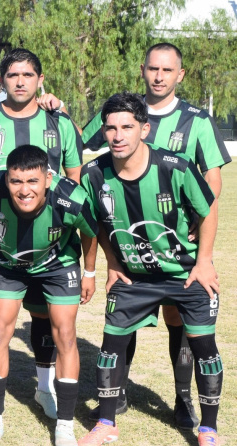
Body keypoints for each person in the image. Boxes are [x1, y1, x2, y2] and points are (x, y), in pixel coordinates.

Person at [76, 43, 230, 429]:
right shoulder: (118, 112)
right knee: (124, 310)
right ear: (142, 71)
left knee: (178, 316)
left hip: (176, 238)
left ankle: (182, 400)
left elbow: (211, 178)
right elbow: (81, 147)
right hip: (129, 244)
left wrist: (198, 225)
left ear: (180, 75)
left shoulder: (196, 120)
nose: (159, 76)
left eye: (167, 70)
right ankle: (117, 395)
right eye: (152, 69)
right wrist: (55, 110)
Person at [0, 48, 83, 420]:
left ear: (40, 80)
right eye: (13, 75)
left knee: (45, 316)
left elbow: (74, 182)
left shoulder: (59, 122)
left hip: (53, 242)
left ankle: (44, 389)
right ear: (2, 81)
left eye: (28, 75)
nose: (21, 81)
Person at [0, 145, 97, 446]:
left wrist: (89, 273)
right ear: (7, 180)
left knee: (65, 334)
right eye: (16, 181)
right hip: (8, 263)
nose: (24, 190)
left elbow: (90, 234)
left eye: (32, 181)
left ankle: (64, 423)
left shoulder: (72, 197)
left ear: (48, 179)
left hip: (57, 265)